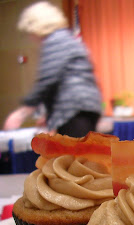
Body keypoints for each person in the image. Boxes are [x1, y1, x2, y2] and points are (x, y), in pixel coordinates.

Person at [3, 1, 102, 137]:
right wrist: (50, 114)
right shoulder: (67, 39)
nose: (31, 37)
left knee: (74, 156)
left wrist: (22, 112)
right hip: (83, 107)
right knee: (80, 154)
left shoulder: (55, 41)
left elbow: (48, 79)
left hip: (74, 109)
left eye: (29, 32)